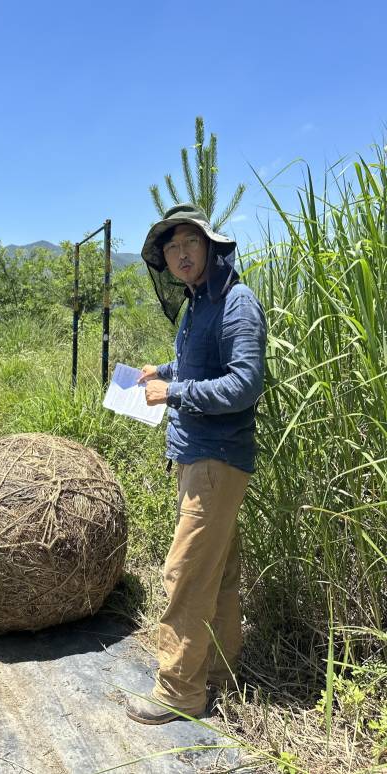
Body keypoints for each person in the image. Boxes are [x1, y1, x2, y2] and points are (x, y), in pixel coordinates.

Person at [125, 203, 267, 725]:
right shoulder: (197, 304)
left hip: (217, 460)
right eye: (171, 246)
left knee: (184, 575)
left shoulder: (236, 302)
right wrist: (159, 371)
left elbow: (245, 383)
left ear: (211, 246)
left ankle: (179, 692)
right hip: (196, 458)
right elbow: (195, 365)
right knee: (218, 573)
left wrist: (175, 389)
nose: (181, 254)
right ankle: (219, 677)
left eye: (190, 242)